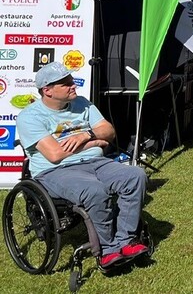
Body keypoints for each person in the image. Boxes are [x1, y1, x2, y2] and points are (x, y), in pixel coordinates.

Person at [16, 62, 149, 270]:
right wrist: (94, 142)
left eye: (72, 80)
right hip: (56, 171)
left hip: (96, 162)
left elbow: (109, 131)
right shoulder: (29, 117)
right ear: (47, 90)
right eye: (66, 83)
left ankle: (126, 240)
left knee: (135, 176)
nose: (73, 85)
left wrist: (87, 135)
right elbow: (55, 154)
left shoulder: (82, 103)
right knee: (94, 190)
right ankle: (108, 249)